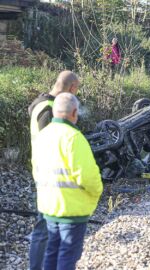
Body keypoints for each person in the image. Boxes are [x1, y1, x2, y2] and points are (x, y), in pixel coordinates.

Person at [31, 93, 103, 270]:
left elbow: (35, 170)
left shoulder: (42, 135)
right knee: (67, 256)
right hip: (71, 209)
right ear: (74, 112)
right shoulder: (73, 137)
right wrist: (96, 193)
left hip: (49, 207)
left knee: (51, 253)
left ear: (54, 111)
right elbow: (87, 176)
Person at [28, 71, 80, 270]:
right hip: (50, 177)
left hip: (47, 174)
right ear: (72, 88)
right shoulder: (48, 110)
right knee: (44, 228)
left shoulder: (40, 103)